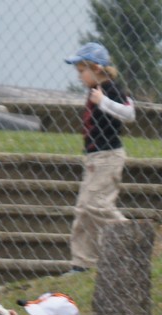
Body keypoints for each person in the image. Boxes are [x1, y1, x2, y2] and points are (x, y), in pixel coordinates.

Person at [64, 42, 134, 272]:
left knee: (97, 204)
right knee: (84, 209)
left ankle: (133, 236)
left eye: (82, 71)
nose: (79, 76)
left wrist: (103, 101)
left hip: (108, 156)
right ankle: (82, 263)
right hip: (94, 158)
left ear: (96, 68)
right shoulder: (95, 90)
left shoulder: (111, 89)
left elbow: (129, 113)